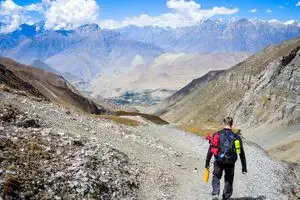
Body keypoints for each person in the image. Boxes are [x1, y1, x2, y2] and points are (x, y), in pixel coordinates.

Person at [205, 117, 247, 200]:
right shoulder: (237, 137)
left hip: (219, 160)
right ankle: (226, 197)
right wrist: (244, 168)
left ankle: (215, 194)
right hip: (231, 162)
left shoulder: (217, 134)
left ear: (223, 124)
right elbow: (241, 153)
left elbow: (211, 149)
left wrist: (207, 163)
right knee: (229, 179)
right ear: (232, 125)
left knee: (216, 176)